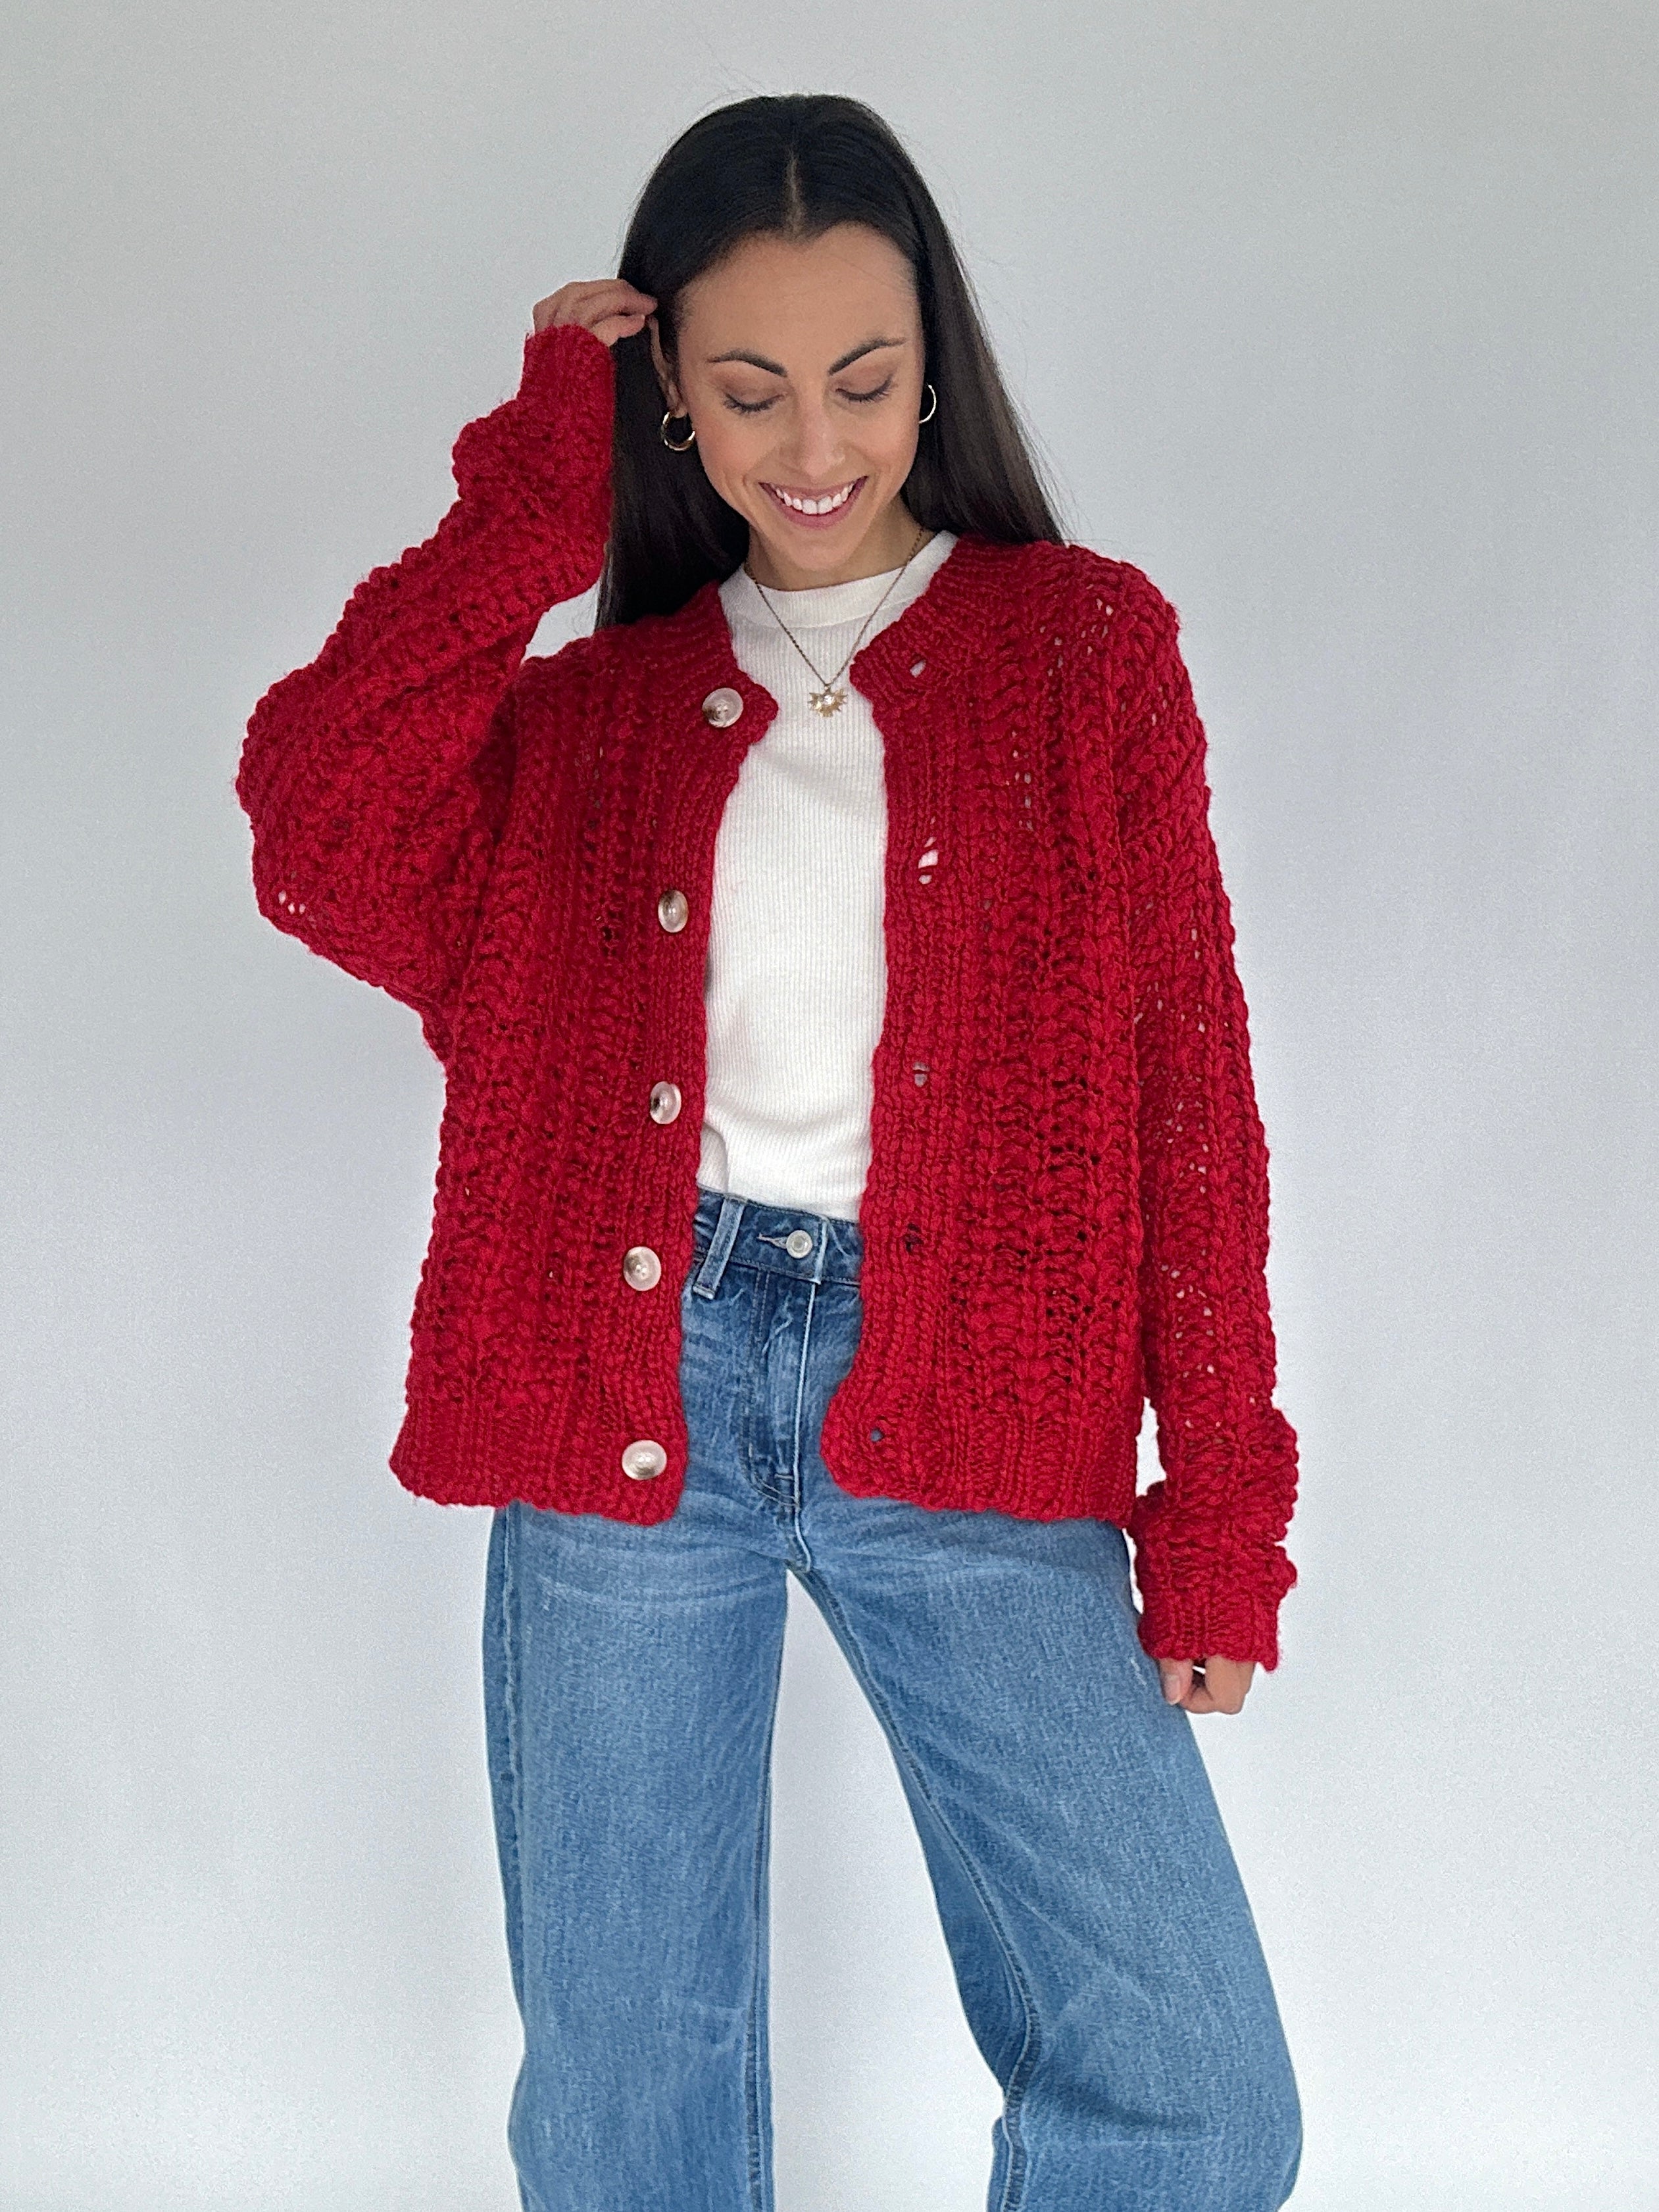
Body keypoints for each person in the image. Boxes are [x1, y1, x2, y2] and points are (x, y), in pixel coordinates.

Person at [238, 90, 1304, 2212]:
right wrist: (529, 493)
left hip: (983, 1402)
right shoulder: (592, 718)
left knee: (1188, 2098)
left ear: (937, 369)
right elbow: (315, 821)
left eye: (864, 379)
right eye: (742, 391)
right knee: (630, 2111)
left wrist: (1221, 1506)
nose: (812, 443)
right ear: (668, 402)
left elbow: (1190, 1083)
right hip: (629, 1400)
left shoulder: (1088, 654)